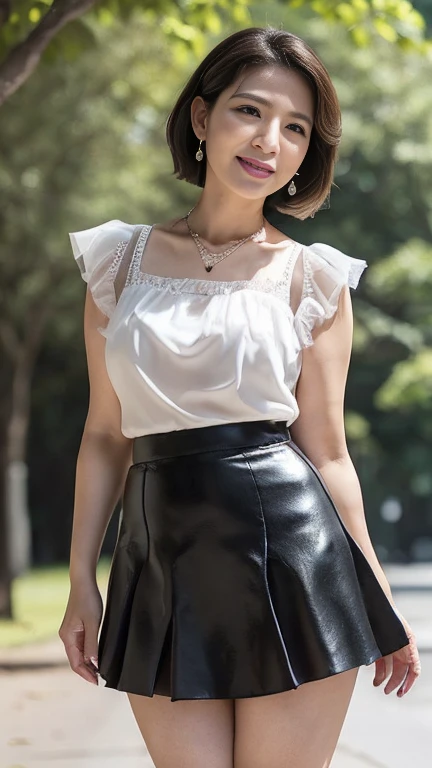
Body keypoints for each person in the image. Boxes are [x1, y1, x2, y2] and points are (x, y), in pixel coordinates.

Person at [59, 25, 421, 768]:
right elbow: (104, 436)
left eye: (295, 128)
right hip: (159, 558)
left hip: (294, 556)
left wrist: (378, 594)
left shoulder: (311, 278)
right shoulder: (116, 262)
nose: (269, 141)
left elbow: (327, 451)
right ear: (202, 117)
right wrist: (79, 584)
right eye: (249, 111)